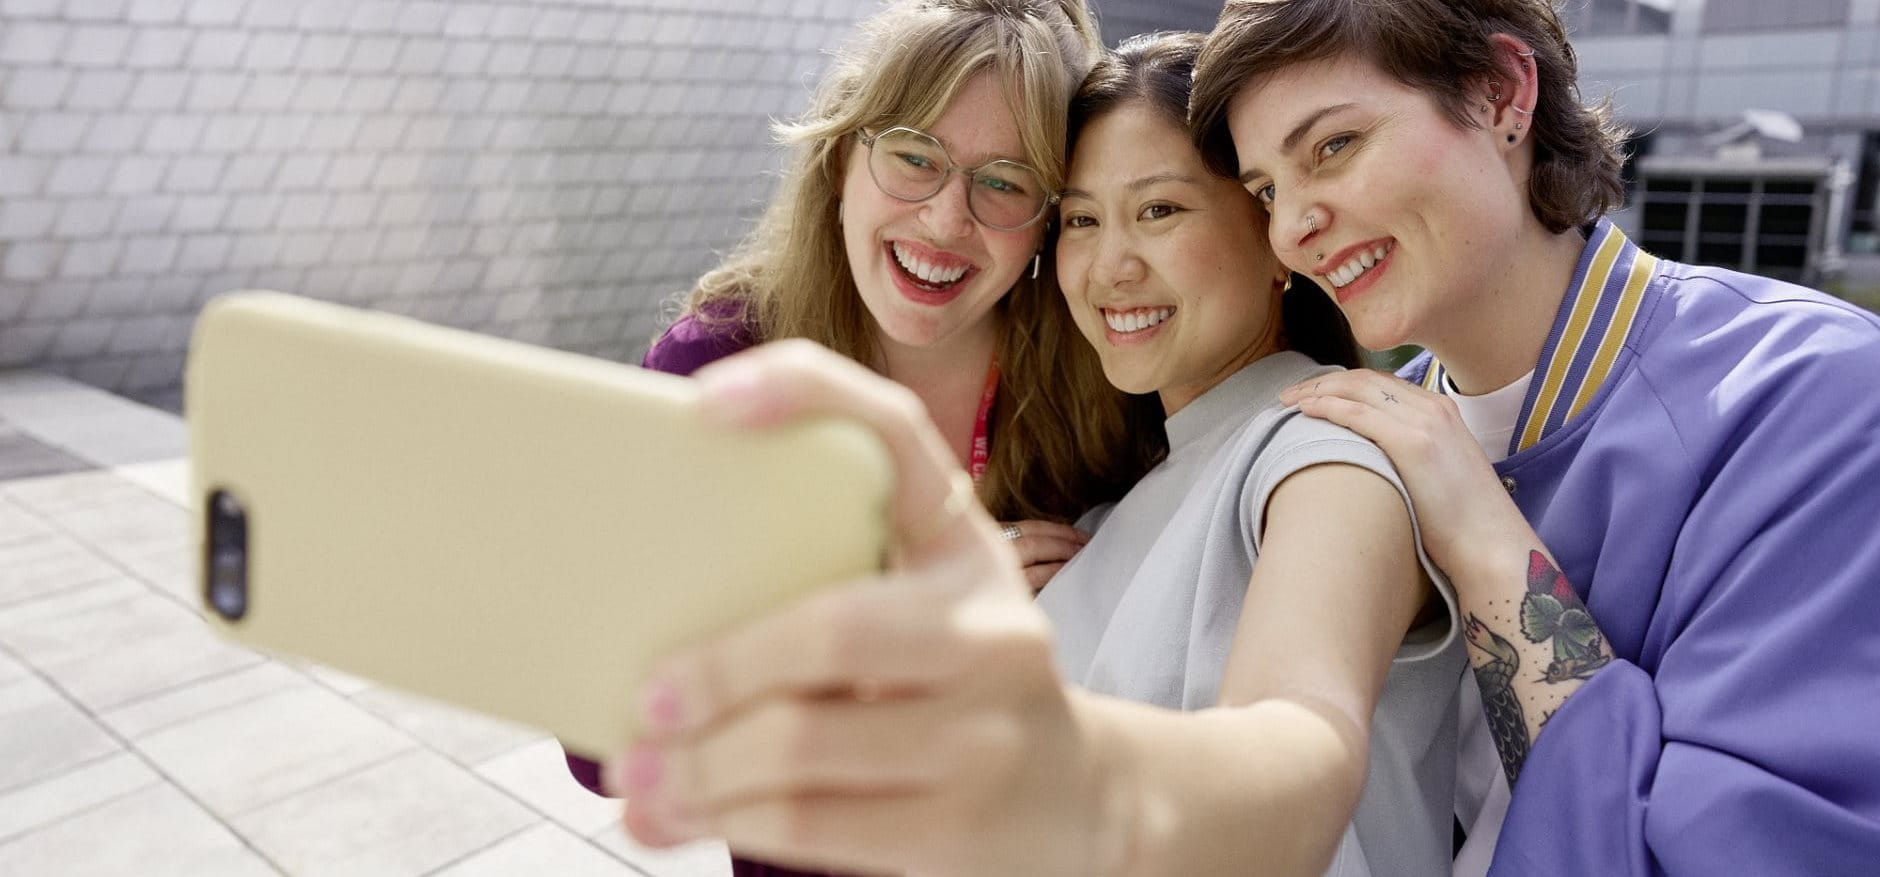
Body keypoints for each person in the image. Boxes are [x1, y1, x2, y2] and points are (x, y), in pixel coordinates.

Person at [606, 33, 1467, 877]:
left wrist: (1080, 788)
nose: (1109, 265)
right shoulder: (1119, 486)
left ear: (1273, 230)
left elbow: (1299, 755)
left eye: (1159, 209)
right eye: (1083, 220)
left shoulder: (1327, 453)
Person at [1186, 1, 1880, 874]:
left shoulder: (1812, 397)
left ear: (1502, 95)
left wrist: (1483, 544)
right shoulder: (1355, 446)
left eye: (1333, 147)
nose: (1293, 227)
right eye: (1266, 191)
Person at [566, 3, 1163, 875]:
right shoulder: (719, 364)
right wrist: (894, 599)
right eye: (915, 157)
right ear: (843, 156)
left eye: (1004, 181)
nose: (946, 220)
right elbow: (601, 748)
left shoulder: (1095, 366)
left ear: (1044, 217)